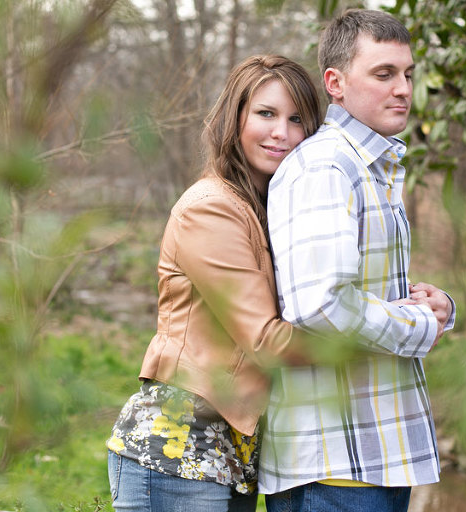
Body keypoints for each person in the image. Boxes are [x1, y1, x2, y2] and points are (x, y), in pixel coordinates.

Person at [105, 55, 323, 512]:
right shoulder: (211, 208)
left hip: (229, 459)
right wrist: (380, 339)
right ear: (234, 118)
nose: (281, 132)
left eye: (296, 119)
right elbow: (266, 339)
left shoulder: (264, 210)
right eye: (266, 113)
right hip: (177, 456)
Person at [259, 9, 457, 512]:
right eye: (384, 74)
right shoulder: (326, 165)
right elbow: (321, 304)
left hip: (373, 457)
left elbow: (360, 287)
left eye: (408, 74)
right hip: (336, 466)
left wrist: (432, 307)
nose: (403, 89)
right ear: (336, 83)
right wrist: (417, 327)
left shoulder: (369, 164)